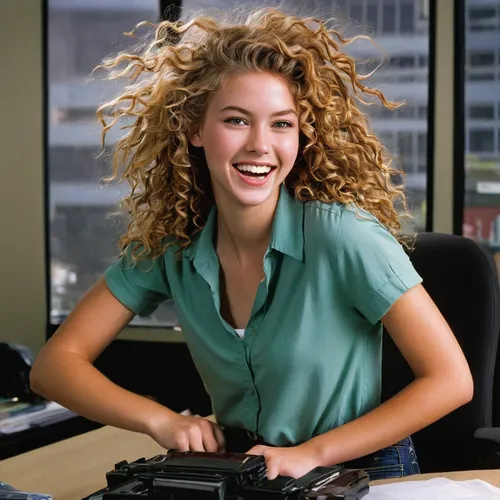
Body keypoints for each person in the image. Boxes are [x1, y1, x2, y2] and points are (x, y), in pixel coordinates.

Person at [30, 5, 473, 482]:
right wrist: (160, 420)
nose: (261, 144)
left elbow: (451, 380)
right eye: (237, 120)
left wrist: (312, 454)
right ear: (195, 130)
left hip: (360, 469)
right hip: (247, 469)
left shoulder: (343, 235)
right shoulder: (174, 247)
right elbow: (55, 365)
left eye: (281, 124)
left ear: (300, 136)